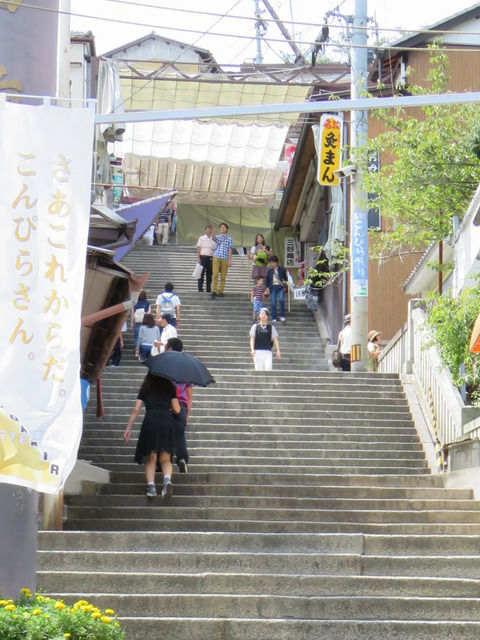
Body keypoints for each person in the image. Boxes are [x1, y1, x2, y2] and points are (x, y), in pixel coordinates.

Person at [123, 373, 180, 499]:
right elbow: (177, 409)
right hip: (166, 421)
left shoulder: (146, 388)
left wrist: (128, 427)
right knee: (166, 458)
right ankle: (166, 480)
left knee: (151, 457)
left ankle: (151, 487)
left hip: (150, 421)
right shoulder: (170, 388)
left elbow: (136, 409)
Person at [165, 337, 192, 473]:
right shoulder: (186, 366)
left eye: (166, 346)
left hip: (167, 403)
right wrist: (188, 411)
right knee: (180, 433)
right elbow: (189, 392)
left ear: (170, 348)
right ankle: (182, 458)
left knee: (167, 432)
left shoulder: (165, 365)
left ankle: (166, 459)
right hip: (182, 403)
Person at [211, 222, 234, 298]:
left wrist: (230, 260)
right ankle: (214, 290)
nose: (222, 228)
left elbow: (230, 250)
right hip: (216, 256)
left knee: (223, 276)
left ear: (226, 229)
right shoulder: (217, 236)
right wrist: (213, 232)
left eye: (224, 227)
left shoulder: (229, 238)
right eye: (221, 227)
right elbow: (213, 238)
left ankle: (221, 291)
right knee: (215, 274)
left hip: (225, 257)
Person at [265, 255, 288, 322]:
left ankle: (282, 316)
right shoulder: (269, 271)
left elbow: (285, 279)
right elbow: (267, 281)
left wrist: (284, 285)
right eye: (271, 263)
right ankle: (274, 317)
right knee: (273, 302)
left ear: (276, 262)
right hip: (273, 287)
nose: (272, 264)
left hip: (280, 287)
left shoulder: (282, 269)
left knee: (281, 300)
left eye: (273, 262)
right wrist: (267, 288)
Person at [196, 224, 216, 293]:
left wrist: (213, 238)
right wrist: (198, 257)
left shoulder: (213, 239)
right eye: (208, 229)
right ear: (205, 230)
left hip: (210, 257)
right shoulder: (201, 238)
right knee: (201, 273)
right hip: (203, 256)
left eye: (210, 229)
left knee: (209, 274)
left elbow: (214, 248)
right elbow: (199, 247)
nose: (209, 230)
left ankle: (208, 289)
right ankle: (200, 288)